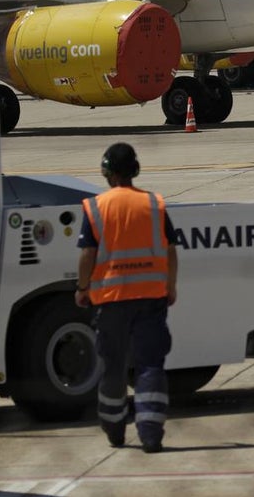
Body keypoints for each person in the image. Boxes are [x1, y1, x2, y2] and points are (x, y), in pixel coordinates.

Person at [75, 142, 178, 453]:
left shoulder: (96, 207)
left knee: (113, 366)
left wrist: (82, 288)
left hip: (111, 299)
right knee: (150, 366)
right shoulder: (154, 204)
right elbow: (171, 251)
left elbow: (88, 254)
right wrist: (170, 286)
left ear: (107, 172)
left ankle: (114, 429)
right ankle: (151, 434)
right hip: (150, 298)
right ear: (135, 170)